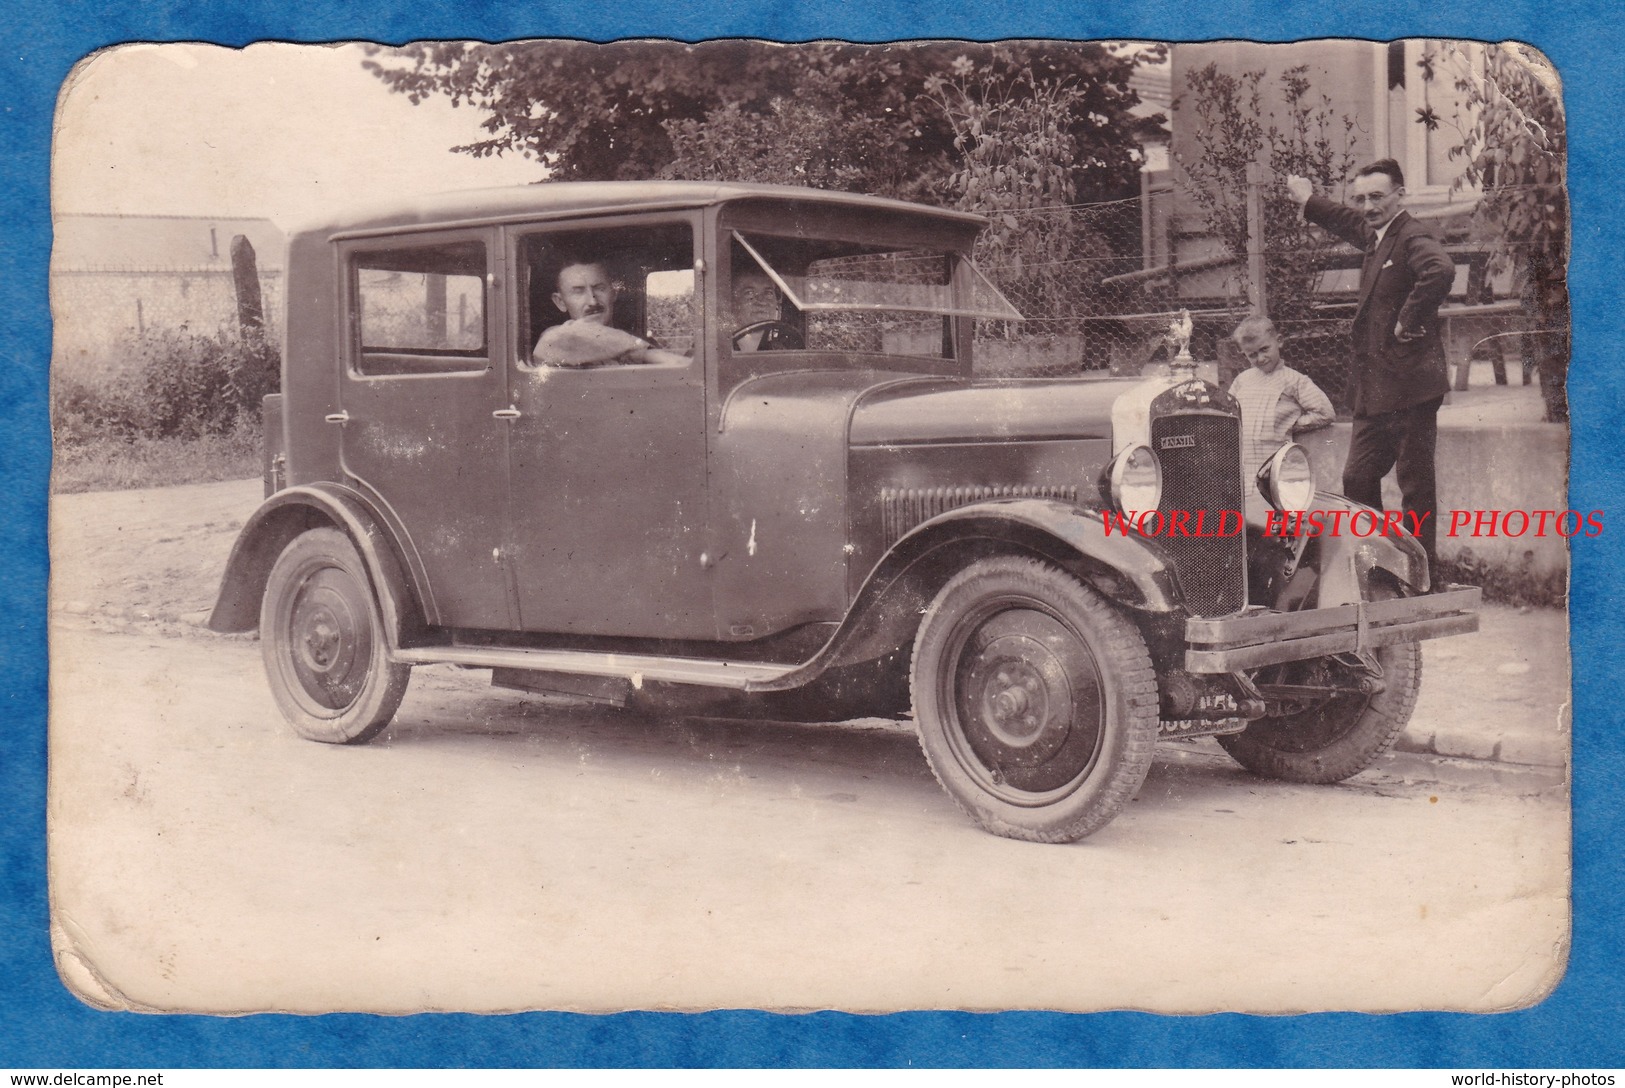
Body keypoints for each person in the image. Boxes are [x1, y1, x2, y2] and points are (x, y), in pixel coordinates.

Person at [1286, 159, 1455, 564]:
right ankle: (1378, 562)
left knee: (1414, 487)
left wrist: (1408, 318)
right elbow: (1347, 221)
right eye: (1361, 197)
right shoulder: (1380, 234)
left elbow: (1440, 270)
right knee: (1357, 478)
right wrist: (1308, 199)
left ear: (1401, 194)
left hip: (1412, 386)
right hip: (1376, 388)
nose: (1367, 205)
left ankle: (1419, 573)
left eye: (1377, 196)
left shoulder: (1412, 234)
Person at [1227, 315, 1335, 477]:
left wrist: (1291, 424)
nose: (1261, 358)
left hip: (1280, 467)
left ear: (1279, 341)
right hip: (1245, 465)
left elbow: (1325, 413)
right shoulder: (1242, 381)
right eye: (1252, 355)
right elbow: (1229, 414)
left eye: (1264, 349)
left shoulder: (1294, 380)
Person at [534, 258, 686, 367]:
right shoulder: (555, 338)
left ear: (614, 293)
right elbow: (559, 339)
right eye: (578, 292)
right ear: (560, 302)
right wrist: (646, 354)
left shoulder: (640, 341)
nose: (593, 301)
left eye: (600, 288)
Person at [729, 267, 802, 351]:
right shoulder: (719, 344)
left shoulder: (788, 344)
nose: (761, 301)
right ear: (733, 302)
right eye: (749, 293)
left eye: (768, 293)